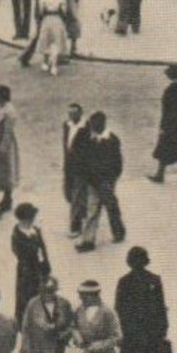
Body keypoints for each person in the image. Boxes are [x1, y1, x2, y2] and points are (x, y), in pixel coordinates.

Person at [74, 112, 125, 251]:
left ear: (102, 124)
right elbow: (84, 161)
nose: (92, 128)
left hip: (106, 181)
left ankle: (118, 232)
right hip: (93, 181)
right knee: (94, 209)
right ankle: (89, 240)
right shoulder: (91, 139)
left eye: (95, 125)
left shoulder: (112, 140)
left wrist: (110, 180)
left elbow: (117, 164)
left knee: (109, 207)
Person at [116, 246, 170, 353]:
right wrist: (163, 329)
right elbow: (161, 308)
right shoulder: (153, 280)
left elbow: (119, 308)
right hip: (144, 335)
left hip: (138, 335)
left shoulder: (125, 281)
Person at [149, 65, 177, 184]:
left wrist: (163, 126)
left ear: (170, 76)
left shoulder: (169, 90)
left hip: (171, 124)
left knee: (164, 147)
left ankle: (160, 175)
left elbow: (166, 110)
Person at [19, 277, 76, 353]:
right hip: (38, 352)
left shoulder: (64, 304)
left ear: (55, 290)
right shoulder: (32, 304)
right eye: (45, 291)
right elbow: (26, 330)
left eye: (51, 291)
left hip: (57, 352)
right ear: (40, 291)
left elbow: (72, 325)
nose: (48, 294)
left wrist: (65, 334)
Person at [10, 202, 53, 326]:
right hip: (27, 272)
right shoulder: (17, 236)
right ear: (25, 219)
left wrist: (46, 266)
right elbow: (23, 255)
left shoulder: (36, 230)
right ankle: (24, 322)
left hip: (40, 269)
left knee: (43, 295)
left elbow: (43, 249)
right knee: (26, 296)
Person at [71, 280, 123, 353]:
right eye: (80, 295)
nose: (80, 298)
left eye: (84, 296)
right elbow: (74, 327)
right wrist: (79, 340)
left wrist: (99, 345)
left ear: (94, 295)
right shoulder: (79, 311)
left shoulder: (108, 312)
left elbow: (118, 337)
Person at [0, 85, 22, 213]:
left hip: (4, 144)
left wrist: (3, 147)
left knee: (7, 170)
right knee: (0, 171)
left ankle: (8, 198)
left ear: (1, 96)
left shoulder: (9, 110)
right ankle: (5, 198)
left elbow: (8, 131)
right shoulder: (0, 108)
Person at [62, 104, 89, 237]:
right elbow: (66, 146)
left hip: (81, 168)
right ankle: (83, 214)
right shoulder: (66, 125)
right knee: (68, 194)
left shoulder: (86, 127)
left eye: (74, 113)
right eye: (69, 113)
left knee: (76, 197)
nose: (71, 116)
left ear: (80, 113)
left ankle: (75, 226)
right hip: (69, 166)